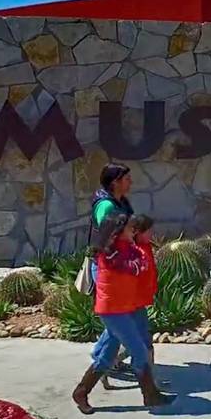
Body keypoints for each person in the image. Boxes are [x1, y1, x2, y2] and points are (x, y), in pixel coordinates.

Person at [72, 213, 172, 413]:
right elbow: (137, 267)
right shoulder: (110, 253)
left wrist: (139, 256)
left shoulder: (126, 248)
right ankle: (150, 395)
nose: (133, 230)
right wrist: (140, 258)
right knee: (139, 351)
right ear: (117, 232)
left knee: (107, 355)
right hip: (113, 311)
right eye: (129, 228)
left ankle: (81, 391)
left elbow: (142, 262)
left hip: (124, 308)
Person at [87, 163, 136, 383]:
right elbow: (107, 238)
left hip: (120, 265)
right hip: (107, 267)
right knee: (117, 319)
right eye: (126, 178)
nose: (130, 182)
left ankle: (104, 360)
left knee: (120, 319)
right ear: (115, 182)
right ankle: (101, 362)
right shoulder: (106, 206)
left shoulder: (121, 202)